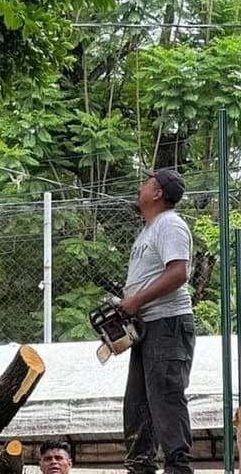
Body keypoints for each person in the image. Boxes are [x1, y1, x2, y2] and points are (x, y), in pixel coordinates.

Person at [119, 167, 195, 474]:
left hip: (168, 324)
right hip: (147, 327)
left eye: (146, 183)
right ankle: (140, 467)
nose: (140, 187)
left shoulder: (170, 224)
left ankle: (178, 468)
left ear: (158, 193)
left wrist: (135, 301)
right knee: (137, 404)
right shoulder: (149, 229)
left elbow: (178, 273)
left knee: (165, 398)